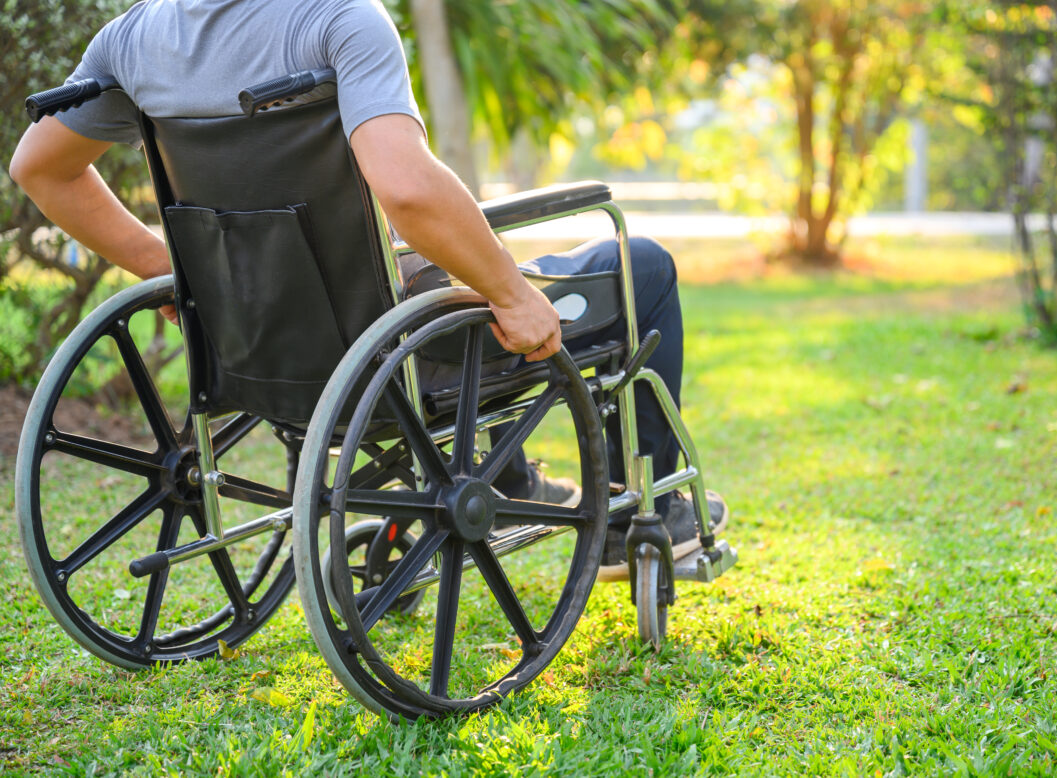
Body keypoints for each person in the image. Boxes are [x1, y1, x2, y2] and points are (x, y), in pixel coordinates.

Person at [7, 0, 725, 571]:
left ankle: (510, 479)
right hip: (391, 351)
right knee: (645, 265)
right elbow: (407, 190)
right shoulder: (338, 19)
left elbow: (40, 168)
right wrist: (510, 293)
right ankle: (639, 515)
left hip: (263, 348)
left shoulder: (134, 40)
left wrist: (176, 275)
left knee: (445, 269)